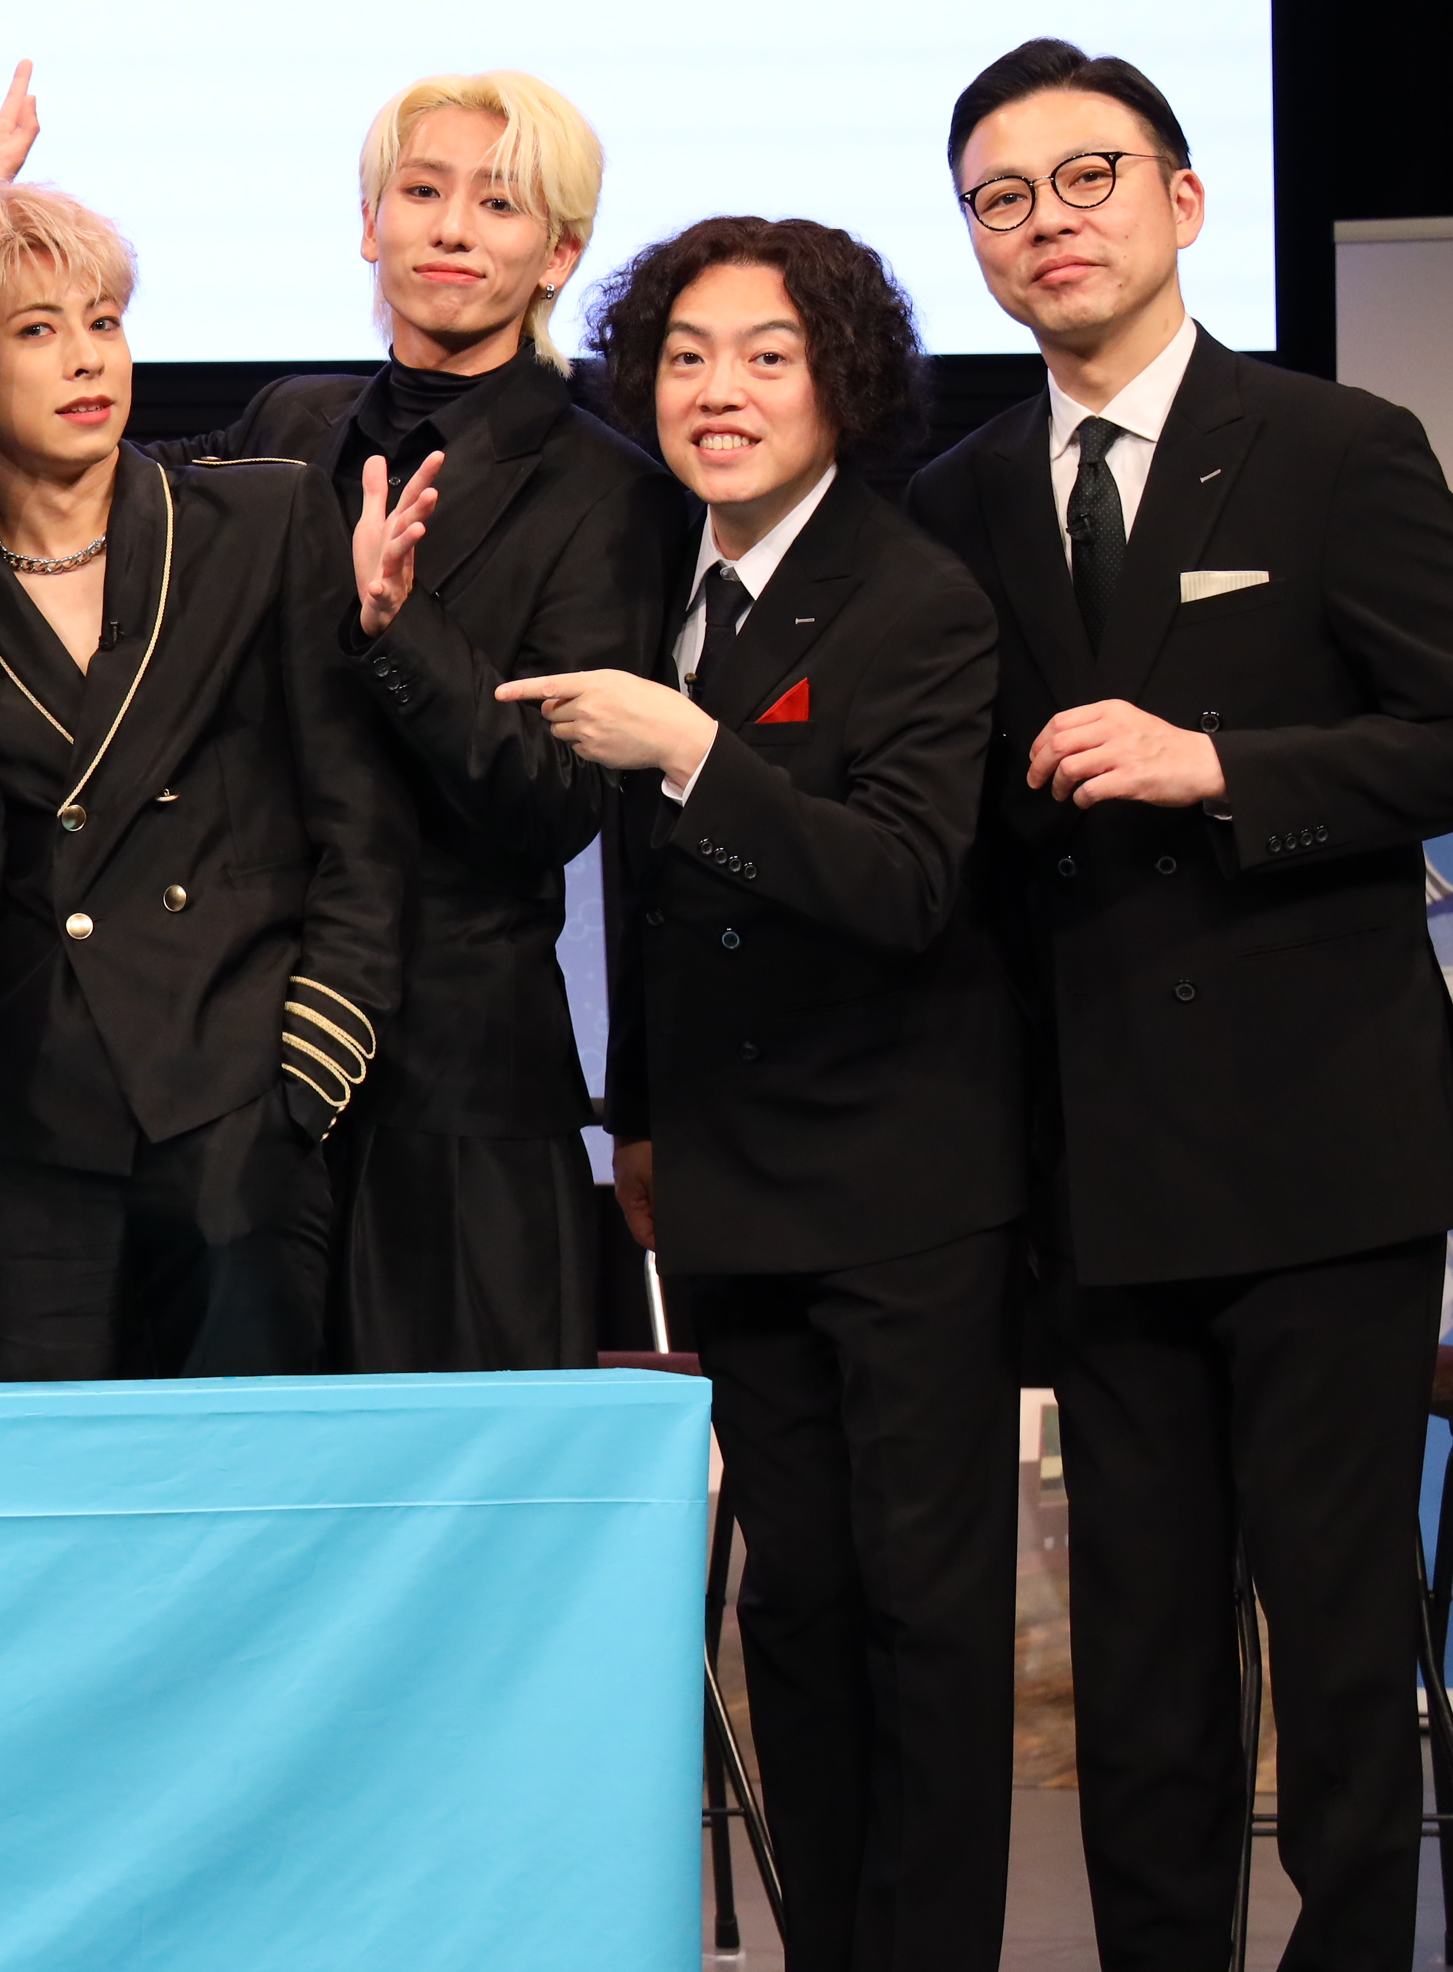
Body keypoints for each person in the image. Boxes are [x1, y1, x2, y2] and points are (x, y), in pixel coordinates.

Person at [909, 39, 1453, 1971]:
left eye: (1090, 178)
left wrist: (1221, 764)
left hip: (1324, 1154)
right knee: (1138, 1664)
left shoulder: (1336, 445)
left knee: (1338, 1636)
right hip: (1091, 1165)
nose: (1047, 222)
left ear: (1185, 200)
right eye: (1001, 199)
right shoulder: (956, 498)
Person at [511, 217, 1023, 1971]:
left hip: (904, 1189)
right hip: (729, 1185)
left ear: (844, 384)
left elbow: (905, 884)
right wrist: (640, 1115)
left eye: (767, 356)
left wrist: (694, 750)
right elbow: (646, 911)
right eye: (685, 357)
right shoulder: (663, 577)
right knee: (793, 1607)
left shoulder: (917, 595)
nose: (717, 392)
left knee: (923, 1616)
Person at [145, 72, 680, 1372]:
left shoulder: (607, 487)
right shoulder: (290, 421)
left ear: (559, 253)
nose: (451, 228)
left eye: (499, 204)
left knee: (470, 1469)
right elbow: (104, 509)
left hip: (461, 1082)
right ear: (367, 222)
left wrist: (397, 629)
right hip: (247, 1061)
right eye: (423, 190)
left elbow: (553, 802)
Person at [0, 185, 404, 1377]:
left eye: (103, 321)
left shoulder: (258, 521)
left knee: (247, 1471)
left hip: (237, 1106)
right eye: (38, 329)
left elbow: (359, 820)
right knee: (52, 1482)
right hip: (33, 1144)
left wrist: (306, 1076)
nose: (87, 357)